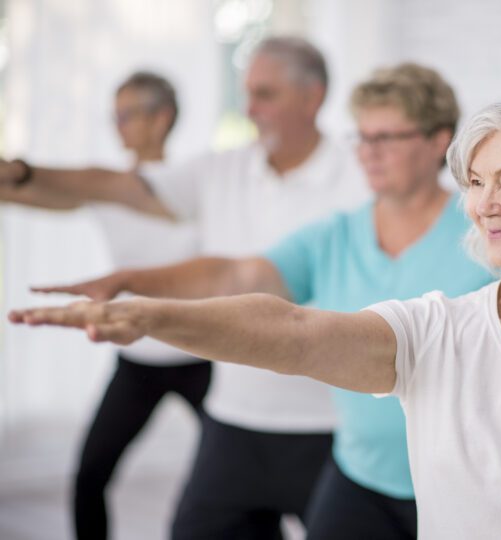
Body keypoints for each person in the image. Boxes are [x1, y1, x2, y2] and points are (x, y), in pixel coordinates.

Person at [10, 85, 501, 540]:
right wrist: (155, 315)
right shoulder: (436, 331)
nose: (486, 204)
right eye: (478, 181)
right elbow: (291, 329)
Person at [28, 63, 495, 539]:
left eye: (387, 138)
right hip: (361, 476)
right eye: (363, 138)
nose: (369, 154)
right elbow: (238, 273)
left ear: (439, 141)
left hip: (458, 483)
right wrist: (130, 284)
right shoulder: (336, 234)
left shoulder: (484, 235)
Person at [2, 37, 367, 538]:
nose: (250, 108)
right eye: (247, 93)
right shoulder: (221, 169)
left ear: (312, 97)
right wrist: (23, 173)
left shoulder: (362, 173)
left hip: (330, 425)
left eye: (265, 94)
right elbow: (115, 186)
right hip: (234, 420)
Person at [0, 70, 209, 540]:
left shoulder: (194, 183)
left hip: (202, 357)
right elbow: (26, 191)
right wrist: (14, 176)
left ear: (163, 118)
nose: (118, 125)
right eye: (114, 115)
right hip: (138, 357)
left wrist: (21, 171)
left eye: (128, 114)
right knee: (90, 476)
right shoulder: (103, 188)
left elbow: (104, 183)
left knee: (239, 477)